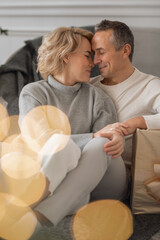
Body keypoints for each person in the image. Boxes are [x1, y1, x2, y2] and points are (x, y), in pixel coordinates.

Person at [18, 27, 127, 227]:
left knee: (100, 143)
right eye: (87, 55)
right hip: (60, 181)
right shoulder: (33, 93)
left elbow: (105, 139)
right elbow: (41, 140)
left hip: (101, 184)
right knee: (59, 142)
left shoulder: (98, 97)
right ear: (65, 56)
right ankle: (65, 204)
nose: (93, 62)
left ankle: (40, 215)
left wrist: (115, 139)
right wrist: (92, 136)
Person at [91, 19, 160, 185]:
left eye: (101, 52)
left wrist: (135, 122)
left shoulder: (150, 85)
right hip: (84, 164)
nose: (95, 60)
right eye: (93, 53)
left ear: (125, 50)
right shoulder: (88, 86)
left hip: (118, 177)